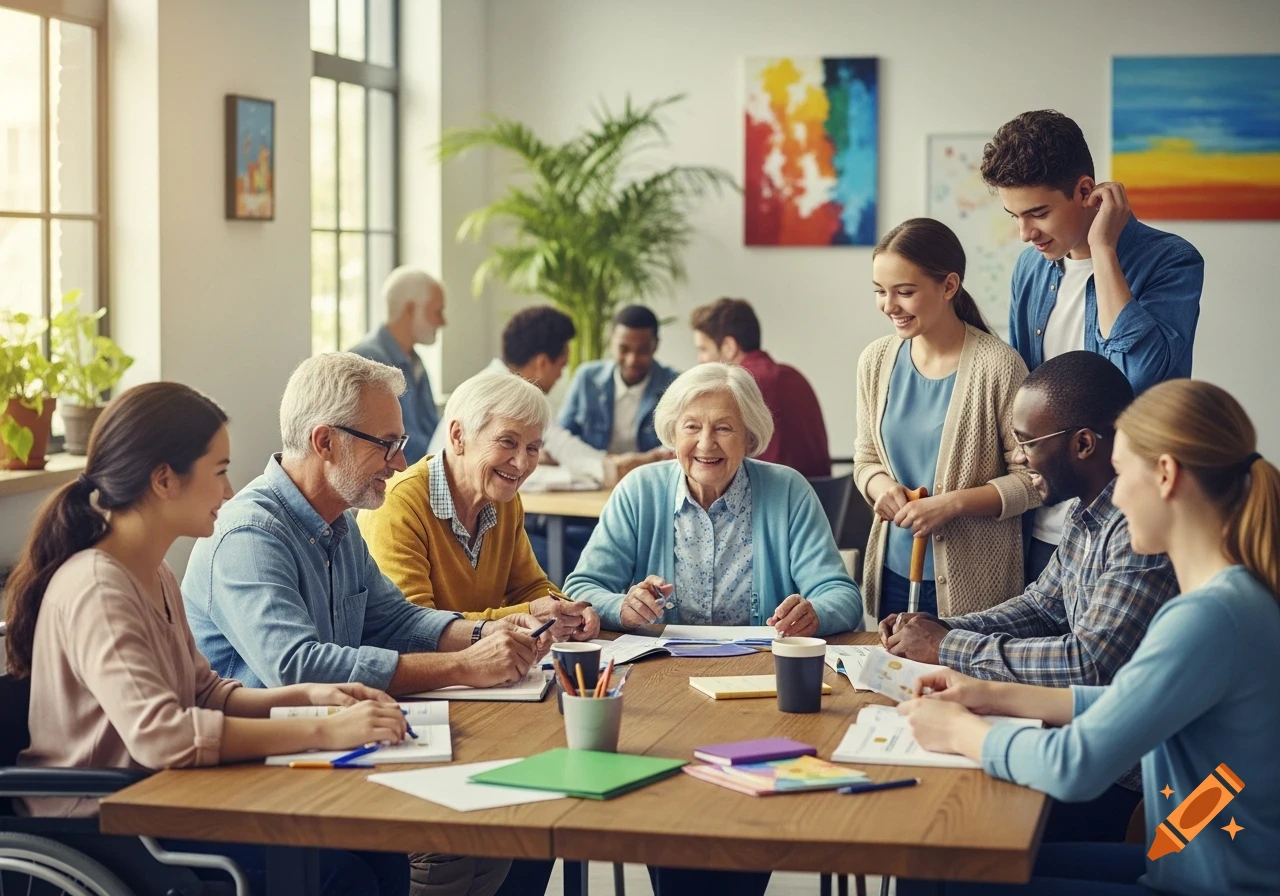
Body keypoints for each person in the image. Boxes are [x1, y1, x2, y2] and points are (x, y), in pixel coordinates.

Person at [5, 382, 410, 895]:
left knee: (379, 852)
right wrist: (324, 732)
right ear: (164, 480)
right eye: (218, 471)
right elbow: (162, 736)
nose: (228, 490)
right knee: (338, 877)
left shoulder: (152, 573)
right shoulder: (98, 587)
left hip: (166, 800)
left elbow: (205, 694)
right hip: (105, 825)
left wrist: (310, 699)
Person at [184, 354, 554, 896]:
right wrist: (460, 666)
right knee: (457, 834)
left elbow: (394, 618)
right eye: (387, 443)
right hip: (260, 773)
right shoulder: (249, 534)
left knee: (519, 815)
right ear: (325, 441)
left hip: (330, 750)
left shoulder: (337, 524)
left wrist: (481, 636)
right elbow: (297, 668)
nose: (401, 461)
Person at [897, 379, 1280, 895]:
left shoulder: (1208, 617)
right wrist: (989, 693)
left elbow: (1074, 765)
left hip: (1207, 883)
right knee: (946, 870)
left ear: (1165, 475)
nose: (1116, 494)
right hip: (1179, 866)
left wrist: (958, 732)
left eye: (1122, 473)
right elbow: (1128, 701)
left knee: (938, 880)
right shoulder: (1235, 599)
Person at [563, 362, 860, 896]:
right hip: (659, 700)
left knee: (739, 841)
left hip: (761, 695)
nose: (706, 442)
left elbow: (842, 595)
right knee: (671, 827)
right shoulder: (640, 491)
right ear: (672, 433)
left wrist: (812, 612)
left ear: (750, 436)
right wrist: (621, 608)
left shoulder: (787, 491)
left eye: (724, 427)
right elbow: (582, 586)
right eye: (691, 426)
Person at [884, 351, 1179, 844]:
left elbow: (1088, 665)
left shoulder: (1136, 529)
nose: (1018, 458)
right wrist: (939, 627)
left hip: (1122, 779)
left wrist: (947, 647)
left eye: (1027, 443)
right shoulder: (1087, 513)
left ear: (1083, 444)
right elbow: (1043, 605)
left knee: (943, 832)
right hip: (1086, 750)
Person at [980, 110, 1204, 582]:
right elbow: (1025, 384)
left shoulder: (1171, 261)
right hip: (1044, 523)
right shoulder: (1031, 269)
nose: (1025, 234)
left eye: (1038, 213)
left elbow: (1144, 377)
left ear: (1085, 192)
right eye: (1014, 216)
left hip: (1130, 522)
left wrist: (1103, 250)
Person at [855, 219, 1040, 624]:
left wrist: (951, 505)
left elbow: (1032, 482)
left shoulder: (998, 365)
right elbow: (866, 457)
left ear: (949, 286)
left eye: (905, 292)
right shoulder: (875, 361)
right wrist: (879, 485)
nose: (889, 306)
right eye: (880, 292)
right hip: (892, 573)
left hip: (974, 586)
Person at [359, 369, 600, 639]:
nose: (521, 464)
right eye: (508, 442)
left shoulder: (504, 499)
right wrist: (528, 615)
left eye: (532, 448)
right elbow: (414, 629)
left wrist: (569, 610)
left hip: (484, 670)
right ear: (458, 436)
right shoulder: (399, 505)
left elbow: (528, 586)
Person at [426, 305, 660, 490]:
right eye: (561, 366)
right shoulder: (504, 395)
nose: (560, 376)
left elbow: (559, 445)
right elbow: (562, 445)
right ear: (542, 363)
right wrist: (613, 468)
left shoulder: (492, 383)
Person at [692, 297, 831, 477]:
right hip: (825, 498)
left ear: (728, 347)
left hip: (773, 497)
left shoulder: (738, 386)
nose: (700, 359)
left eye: (703, 349)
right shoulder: (793, 375)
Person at [348, 267, 448, 465]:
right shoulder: (367, 361)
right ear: (410, 310)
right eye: (437, 312)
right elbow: (399, 444)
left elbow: (433, 433)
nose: (443, 321)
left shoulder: (414, 361)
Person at [558, 304, 679, 455]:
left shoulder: (675, 384)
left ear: (655, 346)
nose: (632, 360)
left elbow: (679, 443)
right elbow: (561, 435)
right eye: (624, 349)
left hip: (649, 473)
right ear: (612, 344)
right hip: (594, 473)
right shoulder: (587, 377)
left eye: (643, 350)